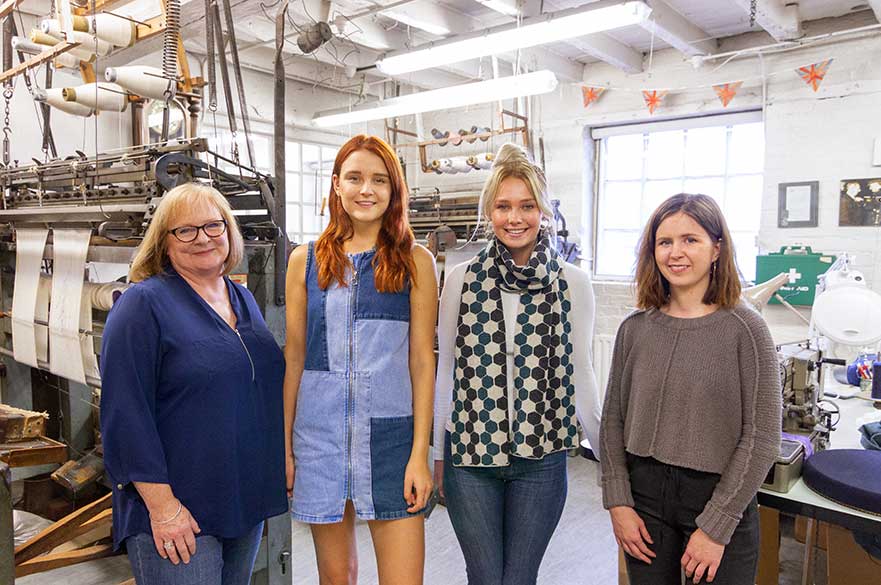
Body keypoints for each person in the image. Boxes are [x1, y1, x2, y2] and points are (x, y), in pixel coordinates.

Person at [100, 183, 287, 585]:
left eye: (213, 226)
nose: (202, 238)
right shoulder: (141, 305)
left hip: (242, 501)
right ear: (163, 243)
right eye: (185, 230)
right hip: (179, 511)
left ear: (229, 231)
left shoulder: (241, 297)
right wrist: (163, 507)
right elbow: (124, 414)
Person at [433, 143, 603, 585]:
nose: (515, 217)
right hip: (470, 457)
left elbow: (581, 371)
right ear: (489, 211)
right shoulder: (461, 280)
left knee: (520, 578)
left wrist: (609, 460)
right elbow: (446, 371)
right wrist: (436, 453)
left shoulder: (573, 283)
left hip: (542, 458)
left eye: (527, 206)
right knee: (486, 577)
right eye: (504, 206)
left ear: (543, 211)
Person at [599, 193, 782, 585]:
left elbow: (763, 436)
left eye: (690, 240)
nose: (675, 253)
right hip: (644, 499)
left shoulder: (746, 330)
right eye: (664, 242)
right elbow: (612, 419)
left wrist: (717, 526)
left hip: (719, 496)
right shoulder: (635, 329)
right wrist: (617, 500)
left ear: (717, 249)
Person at [285, 134, 437, 584]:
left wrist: (419, 455)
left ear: (393, 190)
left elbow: (422, 364)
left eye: (378, 179)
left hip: (391, 444)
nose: (365, 189)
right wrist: (286, 448)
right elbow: (295, 359)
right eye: (354, 178)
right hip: (320, 441)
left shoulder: (416, 261)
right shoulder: (304, 261)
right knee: (336, 579)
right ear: (336, 185)